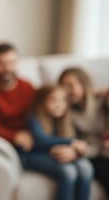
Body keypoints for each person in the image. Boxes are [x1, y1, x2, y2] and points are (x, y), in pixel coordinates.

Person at [25, 85, 93, 200]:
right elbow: (40, 140)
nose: (59, 104)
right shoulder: (34, 118)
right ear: (42, 101)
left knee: (85, 167)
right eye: (53, 100)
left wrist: (71, 149)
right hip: (32, 155)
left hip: (54, 154)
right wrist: (71, 141)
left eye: (63, 100)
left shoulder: (64, 120)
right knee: (68, 171)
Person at [59, 68, 109, 196]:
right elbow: (71, 140)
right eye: (62, 86)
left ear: (83, 84)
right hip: (92, 155)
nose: (66, 91)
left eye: (70, 85)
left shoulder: (102, 102)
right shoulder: (66, 112)